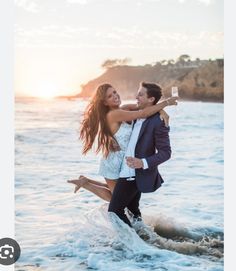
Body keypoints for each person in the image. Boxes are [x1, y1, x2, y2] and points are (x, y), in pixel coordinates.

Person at [67, 83, 177, 205]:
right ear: (105, 102)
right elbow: (143, 113)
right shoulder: (115, 114)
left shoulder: (125, 108)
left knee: (120, 192)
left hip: (125, 161)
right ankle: (86, 184)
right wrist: (167, 103)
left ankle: (85, 180)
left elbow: (144, 107)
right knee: (116, 199)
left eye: (114, 92)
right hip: (113, 161)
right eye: (110, 96)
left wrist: (161, 110)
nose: (115, 96)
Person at [108, 82, 173, 226]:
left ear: (151, 99)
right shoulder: (136, 115)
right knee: (132, 210)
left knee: (114, 211)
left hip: (133, 173)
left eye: (141, 94)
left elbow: (166, 153)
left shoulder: (159, 121)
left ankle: (133, 245)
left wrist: (142, 162)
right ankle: (145, 240)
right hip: (125, 170)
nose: (136, 96)